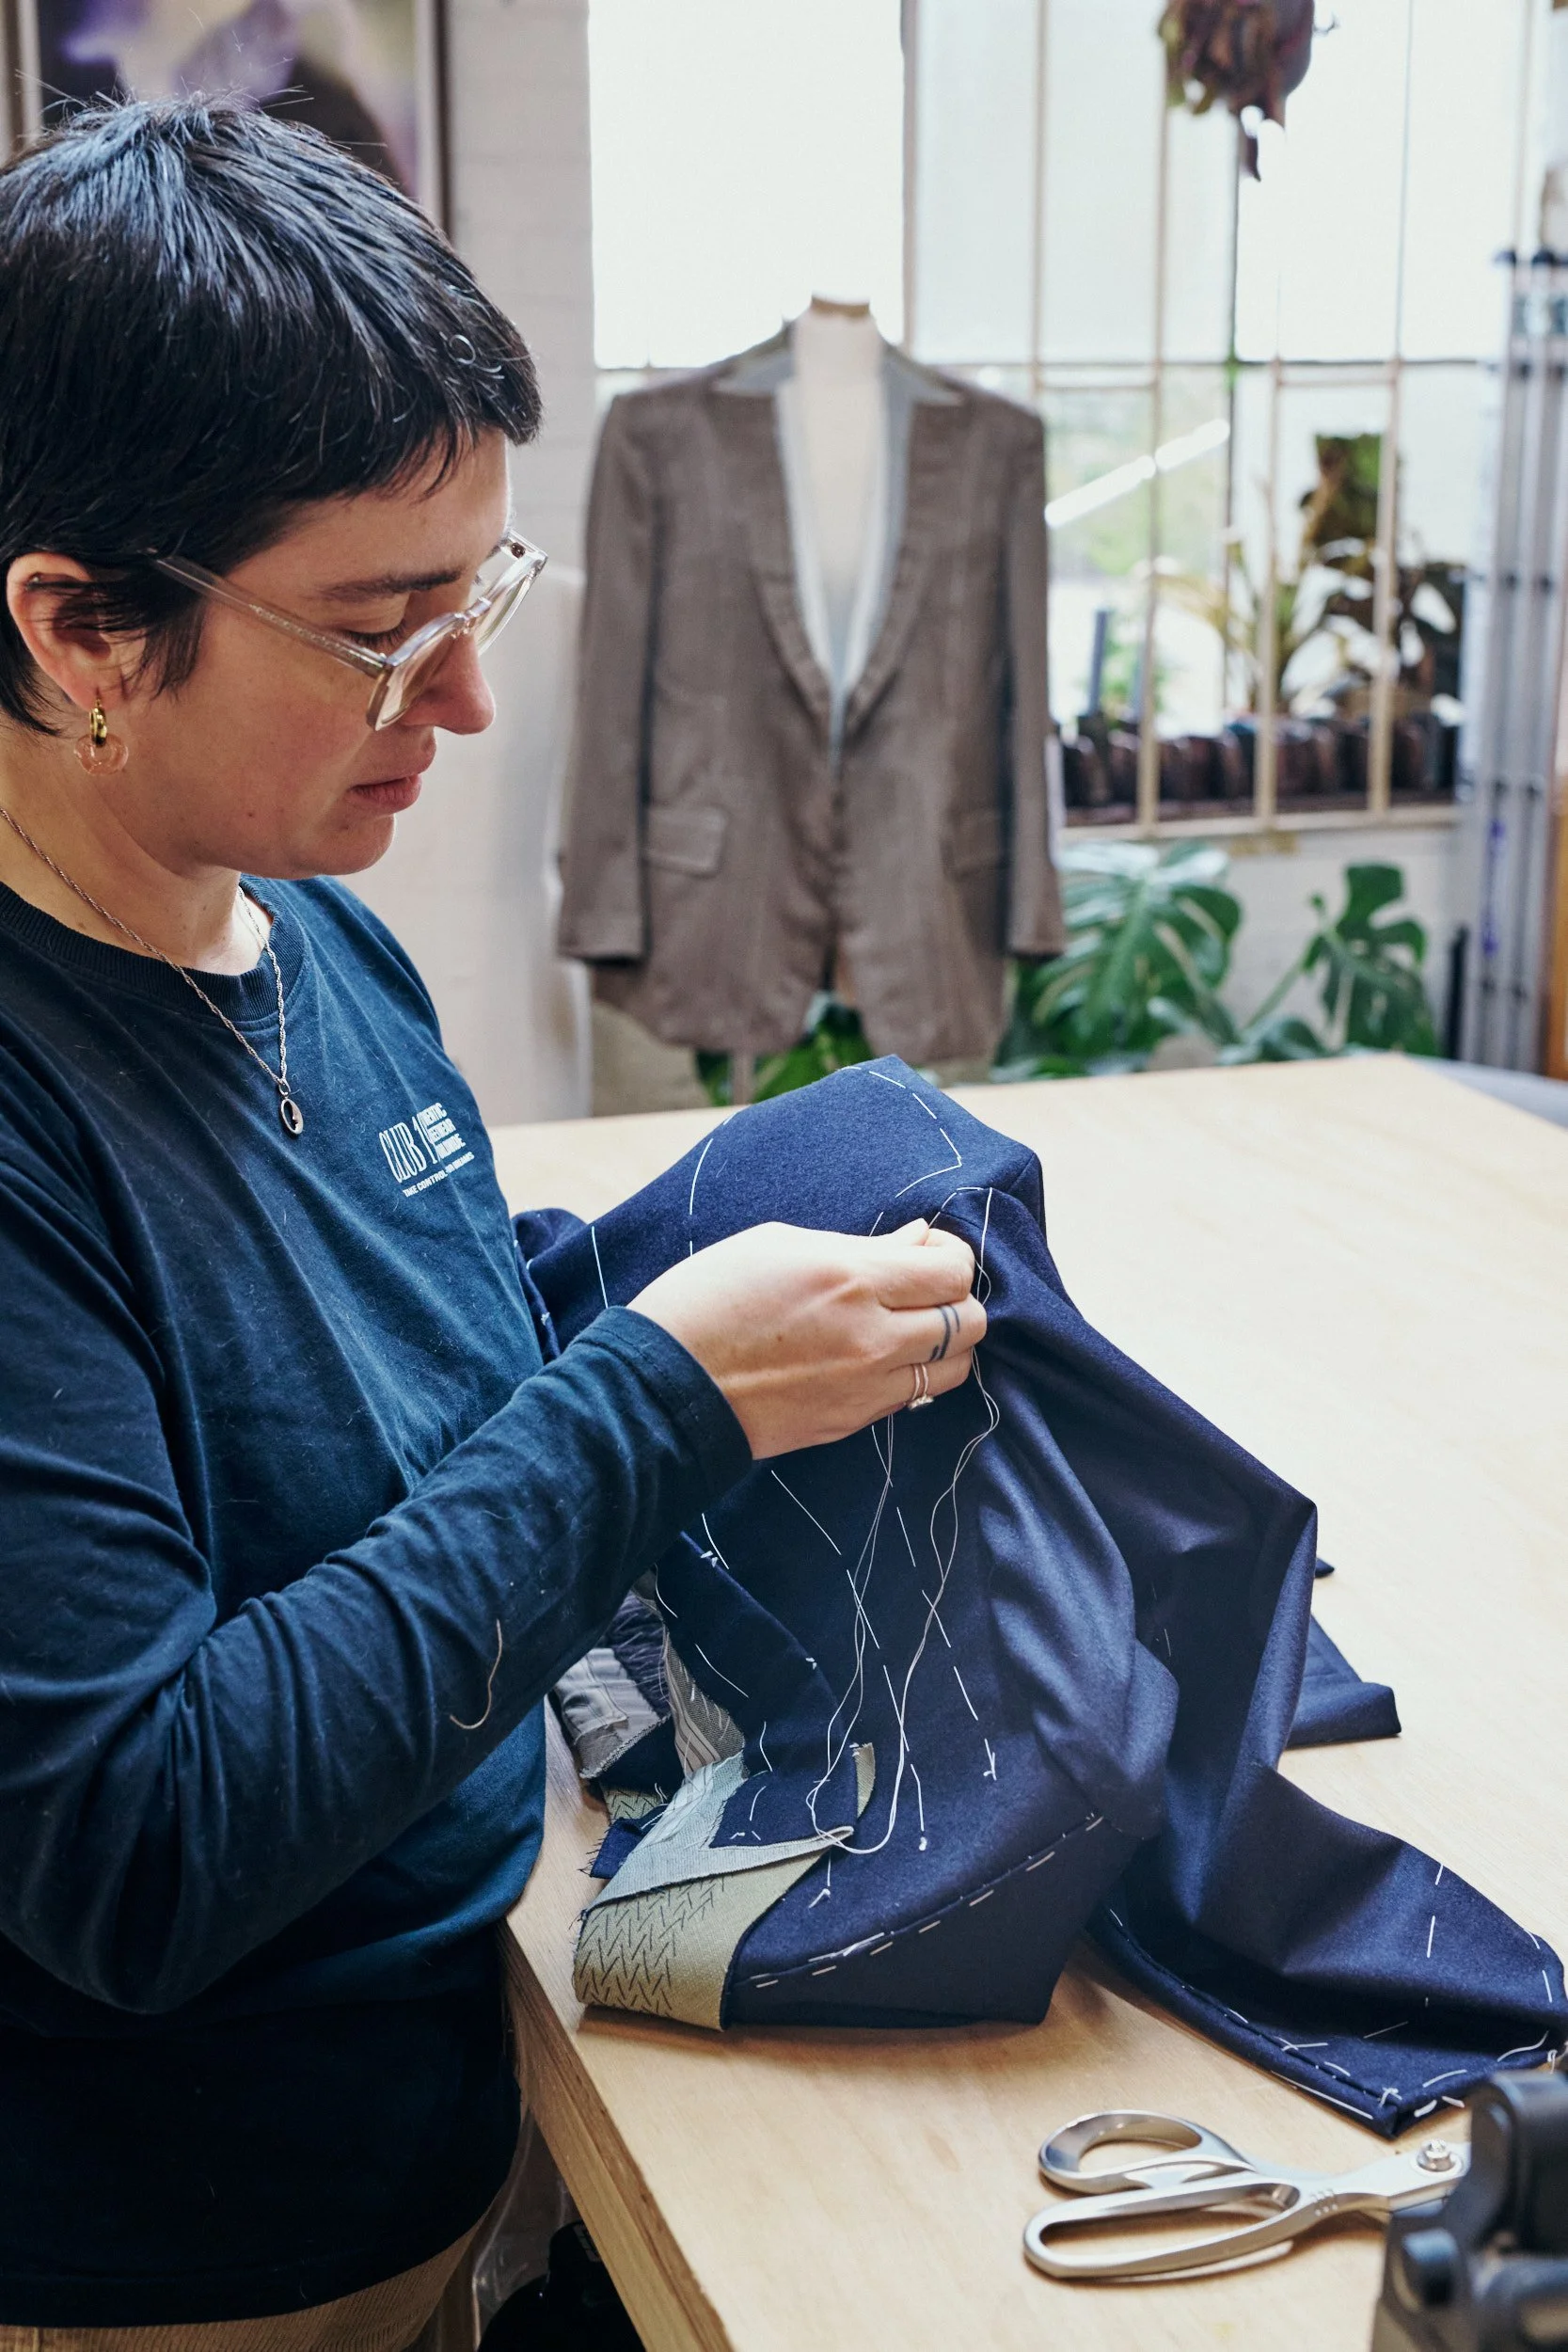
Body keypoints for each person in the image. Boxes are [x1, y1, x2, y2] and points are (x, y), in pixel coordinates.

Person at [0, 100, 984, 2347]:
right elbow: (137, 1845)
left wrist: (697, 1293)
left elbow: (382, 1395)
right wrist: (655, 1396)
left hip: (457, 2102)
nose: (461, 697)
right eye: (378, 628)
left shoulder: (306, 936)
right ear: (80, 628)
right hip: (185, 2258)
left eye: (480, 593)